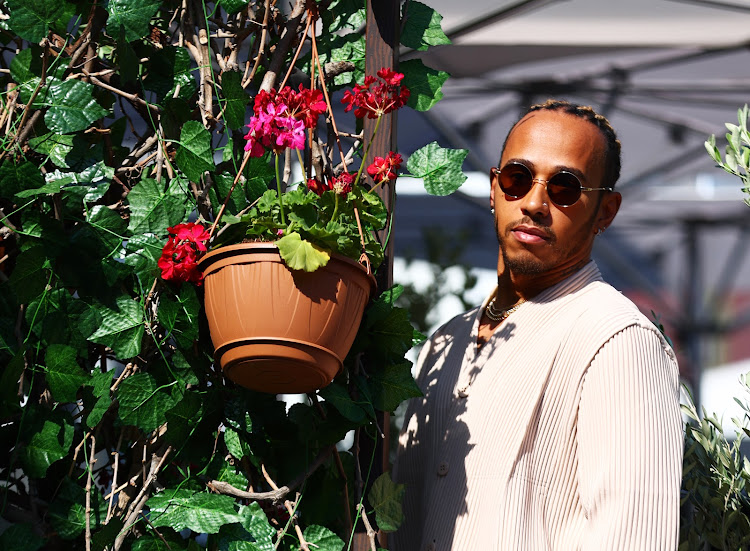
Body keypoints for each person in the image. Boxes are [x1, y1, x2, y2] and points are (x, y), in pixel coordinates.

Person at [392, 99, 683, 551]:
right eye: (517, 178)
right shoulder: (444, 344)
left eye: (565, 187)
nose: (534, 202)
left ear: (605, 212)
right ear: (493, 189)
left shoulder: (618, 339)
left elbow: (632, 537)